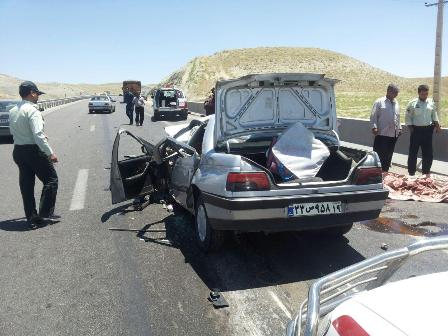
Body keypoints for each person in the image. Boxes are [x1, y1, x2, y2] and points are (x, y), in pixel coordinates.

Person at [9, 81, 59, 229]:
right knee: (51, 180)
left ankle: (31, 217)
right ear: (31, 93)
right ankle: (44, 215)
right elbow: (38, 135)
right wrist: (50, 153)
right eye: (37, 93)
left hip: (18, 150)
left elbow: (14, 132)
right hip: (33, 151)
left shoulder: (13, 110)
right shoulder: (33, 111)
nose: (38, 97)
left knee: (26, 185)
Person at [405, 84, 441, 176]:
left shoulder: (430, 102)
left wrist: (437, 125)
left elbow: (434, 114)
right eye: (423, 94)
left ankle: (426, 172)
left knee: (428, 153)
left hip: (428, 131)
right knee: (413, 153)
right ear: (419, 93)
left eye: (426, 94)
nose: (425, 96)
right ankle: (411, 173)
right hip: (416, 131)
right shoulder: (412, 103)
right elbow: (408, 117)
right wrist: (411, 129)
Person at [370, 84, 401, 172]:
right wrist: (374, 127)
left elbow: (397, 117)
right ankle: (376, 173)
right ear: (389, 91)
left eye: (397, 93)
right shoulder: (379, 102)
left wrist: (400, 128)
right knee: (379, 155)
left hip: (393, 134)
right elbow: (373, 115)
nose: (396, 94)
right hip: (382, 134)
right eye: (395, 92)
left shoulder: (396, 102)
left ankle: (385, 173)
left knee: (388, 155)